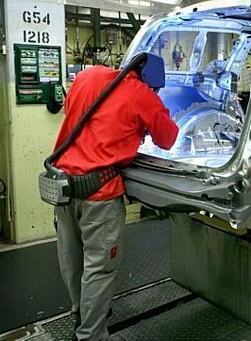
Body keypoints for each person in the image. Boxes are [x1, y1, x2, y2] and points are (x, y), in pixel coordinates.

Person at [52, 52, 178, 340]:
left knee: (72, 260)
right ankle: (91, 334)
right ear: (152, 82)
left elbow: (81, 117)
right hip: (99, 195)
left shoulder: (88, 76)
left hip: (63, 188)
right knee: (99, 267)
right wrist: (146, 120)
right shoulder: (142, 95)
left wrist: (125, 127)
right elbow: (168, 139)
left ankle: (81, 313)